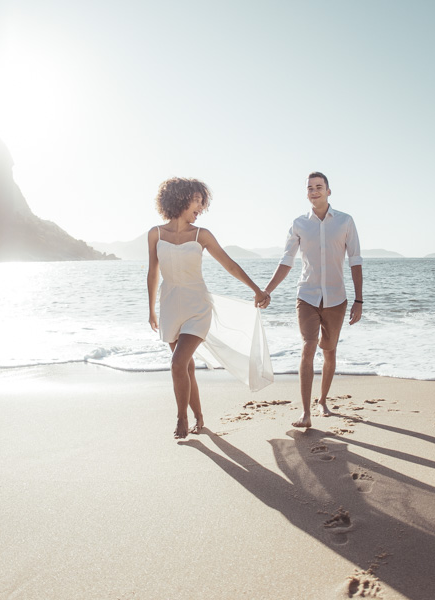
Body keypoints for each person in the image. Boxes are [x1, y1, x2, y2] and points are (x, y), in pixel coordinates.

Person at [147, 177, 273, 439]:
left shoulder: (201, 235)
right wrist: (151, 310)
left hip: (198, 307)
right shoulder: (155, 234)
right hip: (169, 306)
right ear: (180, 198)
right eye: (197, 201)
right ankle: (199, 417)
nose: (201, 208)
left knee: (177, 363)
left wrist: (257, 289)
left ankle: (181, 418)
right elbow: (153, 272)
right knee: (185, 367)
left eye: (202, 203)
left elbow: (230, 265)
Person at [262, 172, 363, 429]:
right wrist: (267, 290)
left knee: (329, 351)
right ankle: (305, 413)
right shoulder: (299, 224)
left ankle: (323, 401)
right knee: (308, 347)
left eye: (319, 187)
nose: (314, 191)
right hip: (306, 296)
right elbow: (286, 261)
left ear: (329, 191)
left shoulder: (345, 221)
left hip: (336, 299)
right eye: (310, 188)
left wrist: (359, 300)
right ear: (306, 193)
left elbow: (355, 261)